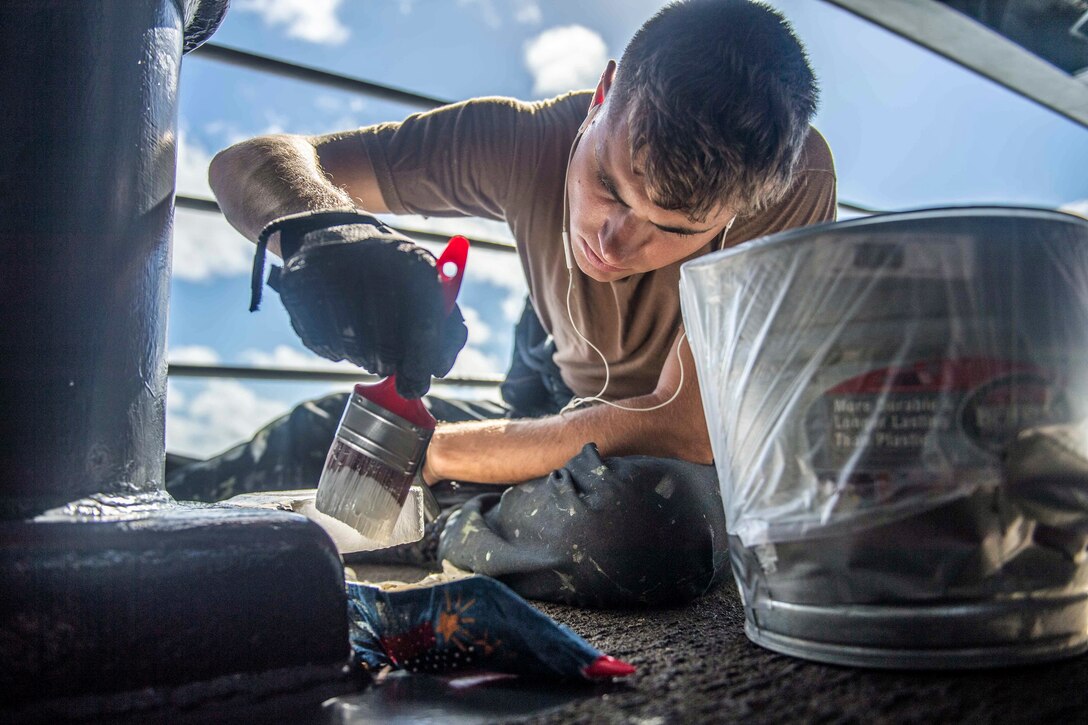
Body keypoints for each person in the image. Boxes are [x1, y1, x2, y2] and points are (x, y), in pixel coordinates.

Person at [170, 0, 837, 607]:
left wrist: (428, 452)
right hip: (550, 406)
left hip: (685, 456)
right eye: (608, 183)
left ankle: (431, 528)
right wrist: (322, 227)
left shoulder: (793, 180)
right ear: (603, 94)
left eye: (673, 229)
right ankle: (154, 505)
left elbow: (686, 424)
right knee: (323, 430)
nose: (612, 240)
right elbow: (250, 160)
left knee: (644, 524)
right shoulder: (525, 141)